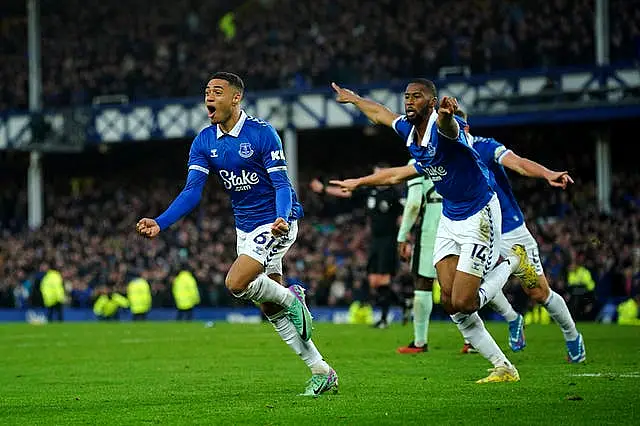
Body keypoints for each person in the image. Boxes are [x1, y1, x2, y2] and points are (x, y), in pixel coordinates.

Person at [136, 72, 337, 396]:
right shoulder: (204, 141)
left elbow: (282, 184)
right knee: (270, 307)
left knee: (236, 283)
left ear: (235, 98)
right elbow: (191, 192)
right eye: (206, 92)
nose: (209, 98)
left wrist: (281, 217)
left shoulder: (262, 134)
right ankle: (321, 369)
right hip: (244, 227)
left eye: (217, 91)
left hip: (275, 221)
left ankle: (293, 298)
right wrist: (161, 222)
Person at [328, 79, 542, 383]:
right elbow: (380, 114)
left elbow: (448, 127)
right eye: (407, 97)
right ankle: (503, 366)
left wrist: (445, 114)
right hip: (450, 218)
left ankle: (512, 263)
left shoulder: (444, 128)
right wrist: (354, 99)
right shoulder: (408, 129)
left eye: (417, 97)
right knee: (451, 304)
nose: (409, 101)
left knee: (466, 302)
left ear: (431, 102)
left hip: (479, 214)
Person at [457, 110, 585, 363]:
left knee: (538, 293)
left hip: (509, 230)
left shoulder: (485, 147)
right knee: (472, 284)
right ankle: (513, 318)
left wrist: (547, 173)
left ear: (465, 128)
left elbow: (518, 163)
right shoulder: (444, 155)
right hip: (477, 230)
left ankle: (572, 334)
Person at [310, 167, 404, 329]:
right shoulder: (370, 191)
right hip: (374, 241)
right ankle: (404, 303)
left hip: (389, 240)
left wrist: (405, 240)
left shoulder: (393, 195)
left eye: (379, 173)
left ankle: (383, 319)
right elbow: (346, 192)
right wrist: (324, 189)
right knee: (374, 282)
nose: (376, 177)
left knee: (383, 280)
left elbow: (403, 217)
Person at [395, 160, 442, 354]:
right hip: (458, 221)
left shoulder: (418, 161)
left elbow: (414, 204)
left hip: (431, 226)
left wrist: (402, 236)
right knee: (458, 283)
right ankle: (471, 340)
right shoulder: (454, 154)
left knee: (423, 282)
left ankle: (420, 342)